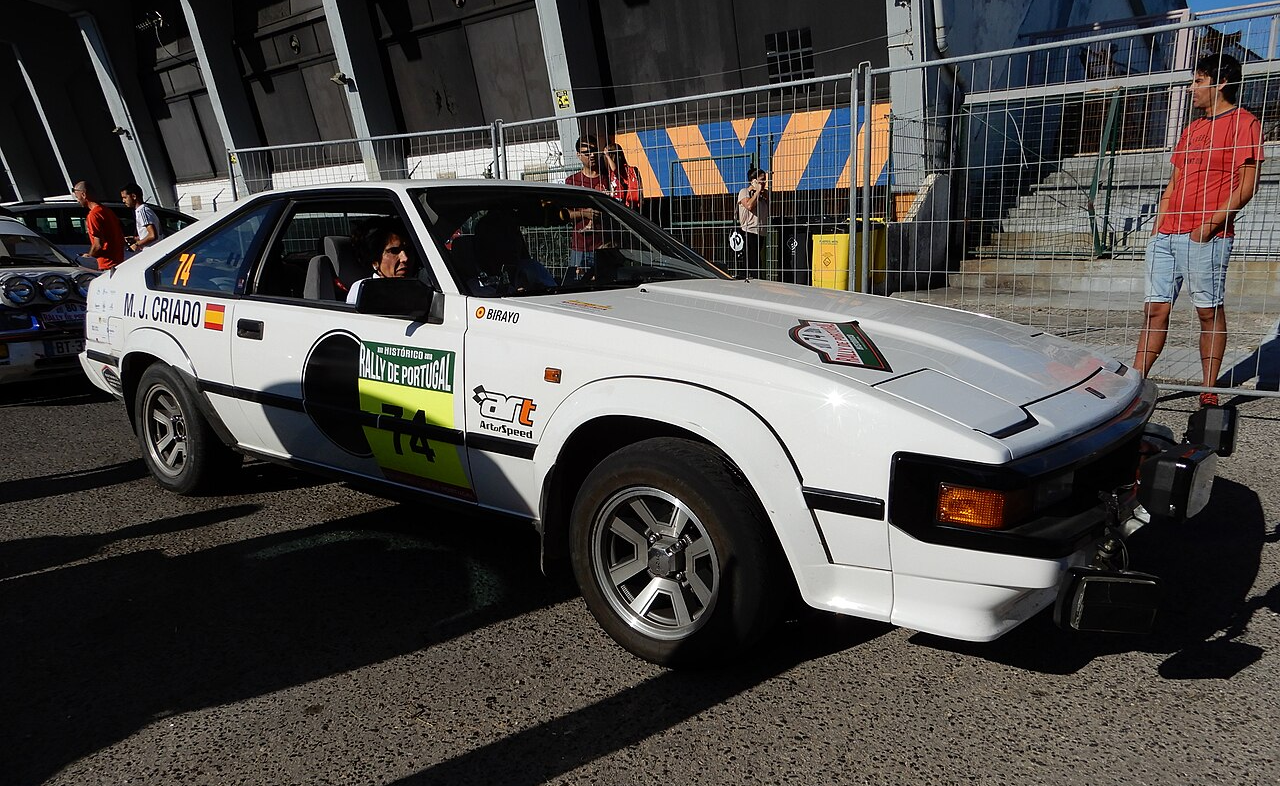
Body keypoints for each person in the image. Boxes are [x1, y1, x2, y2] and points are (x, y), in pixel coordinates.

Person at [1133, 52, 1263, 408]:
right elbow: (1174, 183)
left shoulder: (1245, 123)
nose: (1192, 89)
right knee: (1154, 310)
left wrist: (1208, 226)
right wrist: (1159, 226)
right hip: (1167, 235)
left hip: (1206, 237)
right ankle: (1134, 383)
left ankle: (1210, 390)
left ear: (1220, 83)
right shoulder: (1191, 129)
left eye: (1198, 81)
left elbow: (1247, 186)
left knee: (1208, 311)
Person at [469, 209, 556, 294]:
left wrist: (537, 289)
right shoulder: (475, 287)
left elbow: (555, 295)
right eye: (504, 236)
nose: (513, 242)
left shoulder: (533, 269)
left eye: (515, 234)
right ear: (487, 243)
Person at [564, 135, 609, 281]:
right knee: (577, 288)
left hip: (604, 245)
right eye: (587, 152)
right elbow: (565, 214)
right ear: (578, 155)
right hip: (580, 246)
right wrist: (585, 214)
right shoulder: (572, 181)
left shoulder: (607, 179)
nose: (592, 155)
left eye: (594, 151)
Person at [345, 216, 417, 304]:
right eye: (394, 251)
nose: (405, 258)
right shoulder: (364, 290)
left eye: (408, 250)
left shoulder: (420, 286)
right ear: (374, 260)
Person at [72, 180, 125, 271]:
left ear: (84, 195)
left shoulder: (93, 215)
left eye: (77, 197)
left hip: (107, 265)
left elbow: (98, 245)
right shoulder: (107, 211)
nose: (77, 200)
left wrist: (88, 256)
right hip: (118, 261)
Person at [736, 167, 771, 278]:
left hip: (760, 232)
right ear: (753, 181)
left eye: (765, 180)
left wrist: (764, 195)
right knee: (750, 262)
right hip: (748, 231)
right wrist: (756, 192)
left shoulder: (763, 195)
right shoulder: (744, 192)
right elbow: (749, 206)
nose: (764, 183)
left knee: (758, 261)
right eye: (761, 180)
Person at [120, 183, 163, 253]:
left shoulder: (142, 211)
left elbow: (153, 236)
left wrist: (136, 244)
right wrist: (135, 239)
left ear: (134, 196)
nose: (123, 201)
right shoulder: (142, 211)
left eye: (125, 197)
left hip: (152, 251)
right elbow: (147, 234)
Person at [603, 142, 643, 211]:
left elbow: (615, 170)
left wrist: (607, 156)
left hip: (623, 203)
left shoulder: (623, 170)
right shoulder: (611, 172)